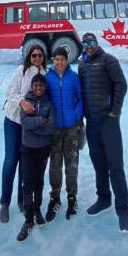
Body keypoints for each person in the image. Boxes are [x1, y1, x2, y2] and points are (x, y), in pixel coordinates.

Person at [78, 32, 128, 233]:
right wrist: (81, 118)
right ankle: (103, 198)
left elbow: (121, 85)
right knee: (98, 163)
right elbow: (82, 93)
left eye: (91, 42)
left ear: (97, 43)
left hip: (108, 121)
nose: (88, 45)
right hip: (92, 123)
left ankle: (123, 209)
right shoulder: (82, 65)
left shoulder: (109, 60)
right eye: (85, 43)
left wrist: (114, 111)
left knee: (115, 165)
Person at [0, 45, 47, 223]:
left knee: (24, 162)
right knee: (11, 160)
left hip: (29, 125)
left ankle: (22, 199)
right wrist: (22, 103)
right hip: (13, 120)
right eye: (33, 55)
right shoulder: (21, 71)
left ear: (43, 57)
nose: (36, 58)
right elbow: (10, 92)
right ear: (29, 56)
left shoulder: (45, 73)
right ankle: (5, 202)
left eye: (40, 55)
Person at [44, 47, 83, 221]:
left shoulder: (74, 77)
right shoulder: (48, 77)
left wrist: (76, 116)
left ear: (67, 61)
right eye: (57, 59)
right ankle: (55, 198)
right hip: (55, 129)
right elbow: (44, 100)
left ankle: (72, 197)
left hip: (71, 127)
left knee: (72, 163)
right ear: (54, 60)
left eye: (62, 59)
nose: (59, 62)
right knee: (55, 164)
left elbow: (81, 99)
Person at [17, 74, 56, 242]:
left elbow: (51, 128)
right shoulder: (27, 103)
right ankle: (28, 219)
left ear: (45, 87)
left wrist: (36, 127)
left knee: (39, 182)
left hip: (42, 150)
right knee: (28, 184)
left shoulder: (49, 104)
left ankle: (38, 210)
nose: (38, 88)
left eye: (41, 85)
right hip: (27, 150)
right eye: (35, 85)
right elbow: (25, 123)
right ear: (32, 87)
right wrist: (41, 120)